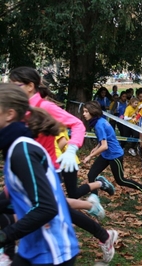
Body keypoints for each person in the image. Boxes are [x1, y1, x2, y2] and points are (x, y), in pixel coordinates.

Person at [9, 67, 119, 264]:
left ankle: (11, 251)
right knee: (56, 208)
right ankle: (101, 229)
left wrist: (72, 149)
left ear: (30, 86)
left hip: (44, 171)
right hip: (24, 171)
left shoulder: (44, 107)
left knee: (49, 209)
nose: (12, 89)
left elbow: (77, 124)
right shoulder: (17, 107)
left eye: (16, 85)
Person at [0, 83, 79, 265]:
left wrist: (5, 235)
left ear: (9, 114)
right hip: (34, 249)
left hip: (53, 252)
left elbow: (46, 207)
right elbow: (15, 196)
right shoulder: (14, 147)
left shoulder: (22, 150)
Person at [82, 101, 142, 203]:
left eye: (86, 111)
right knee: (91, 175)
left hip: (115, 155)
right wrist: (96, 146)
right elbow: (104, 139)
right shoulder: (99, 121)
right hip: (106, 155)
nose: (84, 114)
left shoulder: (99, 124)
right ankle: (95, 201)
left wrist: (90, 156)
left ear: (92, 112)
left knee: (121, 180)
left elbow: (105, 146)